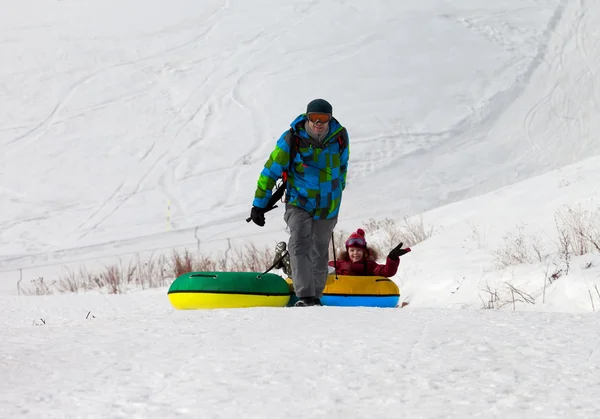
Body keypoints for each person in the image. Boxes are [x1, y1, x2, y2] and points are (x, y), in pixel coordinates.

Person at [249, 98, 349, 307]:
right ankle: (305, 295)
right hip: (299, 202)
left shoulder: (339, 136)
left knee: (319, 250)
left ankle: (315, 296)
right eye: (314, 118)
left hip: (328, 205)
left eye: (323, 118)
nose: (319, 123)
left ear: (330, 118)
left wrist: (339, 187)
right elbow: (270, 171)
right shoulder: (292, 138)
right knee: (300, 242)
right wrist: (259, 204)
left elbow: (343, 165)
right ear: (307, 117)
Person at [328, 229, 411, 276]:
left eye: (359, 250)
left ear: (364, 252)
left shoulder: (370, 265)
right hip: (340, 294)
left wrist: (392, 258)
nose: (355, 253)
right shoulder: (339, 263)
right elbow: (323, 268)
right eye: (352, 250)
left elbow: (386, 272)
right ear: (347, 251)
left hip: (364, 295)